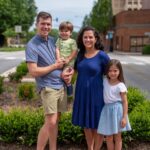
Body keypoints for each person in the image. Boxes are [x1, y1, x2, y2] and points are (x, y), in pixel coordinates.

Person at [25, 11, 68, 150]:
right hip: (48, 87)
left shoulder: (52, 40)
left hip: (60, 86)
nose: (46, 27)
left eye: (48, 24)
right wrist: (55, 66)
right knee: (51, 122)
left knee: (55, 121)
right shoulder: (32, 45)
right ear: (36, 24)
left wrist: (66, 71)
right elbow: (33, 71)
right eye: (43, 24)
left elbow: (60, 62)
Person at [72, 26, 110, 150]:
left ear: (96, 39)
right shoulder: (80, 55)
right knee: (86, 125)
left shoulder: (102, 56)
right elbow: (75, 71)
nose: (87, 39)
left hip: (96, 94)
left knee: (97, 125)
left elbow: (111, 74)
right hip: (81, 93)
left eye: (90, 37)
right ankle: (90, 148)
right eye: (85, 37)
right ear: (81, 39)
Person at [97, 59, 131, 150]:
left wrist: (124, 117)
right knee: (108, 137)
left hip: (117, 111)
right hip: (107, 111)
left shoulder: (121, 85)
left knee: (117, 137)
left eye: (115, 70)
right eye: (110, 71)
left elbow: (125, 102)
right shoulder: (104, 81)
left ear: (120, 71)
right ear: (107, 71)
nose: (112, 73)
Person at [56, 21, 78, 96]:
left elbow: (74, 51)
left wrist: (69, 59)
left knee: (65, 75)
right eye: (62, 31)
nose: (64, 33)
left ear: (70, 33)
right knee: (58, 75)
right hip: (61, 61)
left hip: (69, 63)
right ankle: (62, 88)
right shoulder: (59, 40)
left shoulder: (72, 41)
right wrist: (58, 58)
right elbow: (57, 49)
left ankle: (69, 87)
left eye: (66, 31)